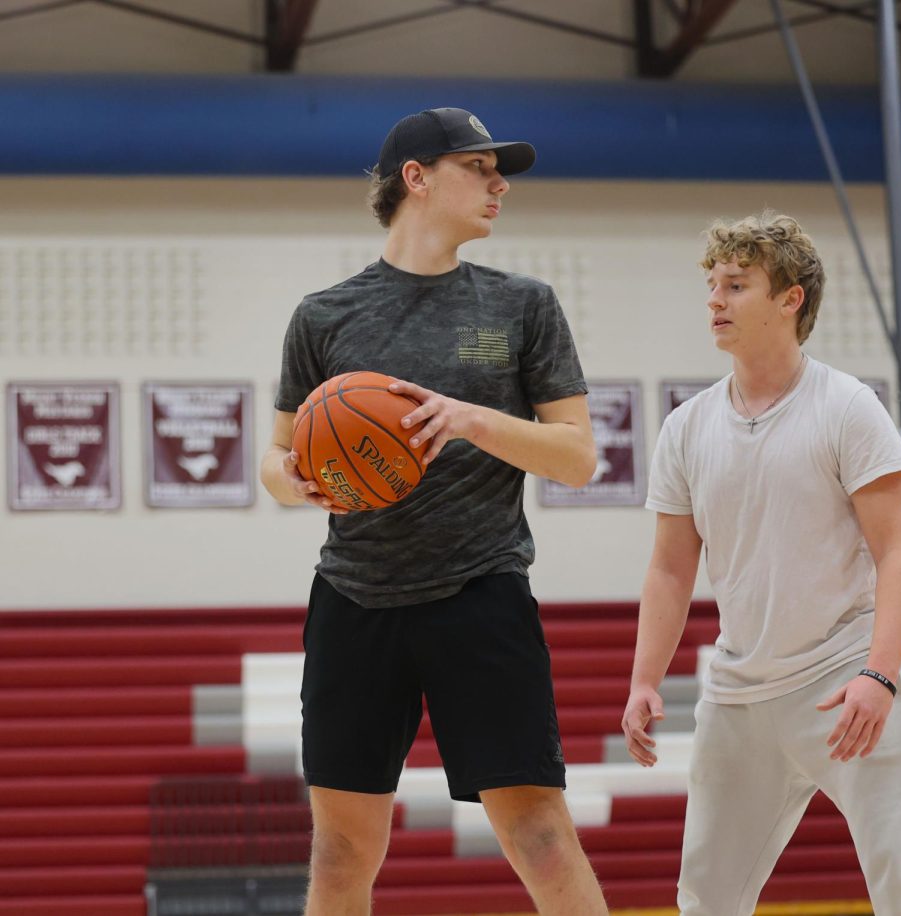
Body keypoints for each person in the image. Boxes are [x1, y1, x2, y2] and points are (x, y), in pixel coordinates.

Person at [261, 107, 607, 916]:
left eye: (501, 171)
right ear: (416, 178)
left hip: (480, 596)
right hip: (354, 601)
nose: (500, 184)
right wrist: (301, 481)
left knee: (542, 838)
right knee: (340, 852)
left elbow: (580, 456)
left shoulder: (523, 307)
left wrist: (473, 418)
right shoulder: (325, 315)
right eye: (480, 168)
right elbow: (275, 461)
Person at [620, 212, 901, 916]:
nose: (714, 299)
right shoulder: (687, 428)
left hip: (847, 681)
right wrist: (645, 678)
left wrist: (880, 674)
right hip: (739, 694)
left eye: (736, 284)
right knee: (707, 899)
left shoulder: (847, 408)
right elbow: (670, 570)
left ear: (790, 299)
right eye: (712, 284)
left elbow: (899, 554)